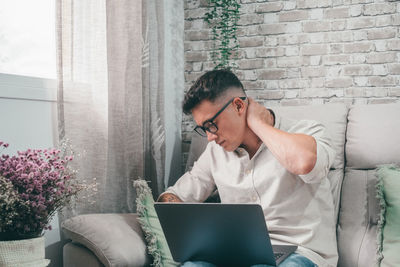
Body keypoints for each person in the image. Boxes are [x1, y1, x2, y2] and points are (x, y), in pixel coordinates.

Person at [158, 69, 338, 267]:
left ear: (238, 105)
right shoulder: (214, 152)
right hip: (237, 254)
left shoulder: (306, 131)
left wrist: (258, 123)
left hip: (300, 254)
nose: (209, 136)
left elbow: (304, 163)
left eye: (211, 124)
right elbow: (174, 197)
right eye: (203, 128)